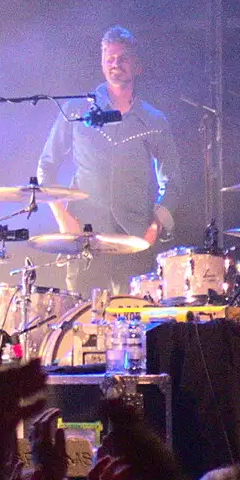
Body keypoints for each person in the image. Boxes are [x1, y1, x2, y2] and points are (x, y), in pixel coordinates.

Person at [36, 25, 179, 292]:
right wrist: (61, 216)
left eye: (123, 58)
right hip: (85, 238)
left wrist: (155, 227)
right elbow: (46, 166)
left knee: (134, 324)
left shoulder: (155, 120)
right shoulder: (77, 110)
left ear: (137, 66)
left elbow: (172, 182)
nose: (116, 64)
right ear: (102, 63)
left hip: (135, 241)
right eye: (110, 59)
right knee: (83, 323)